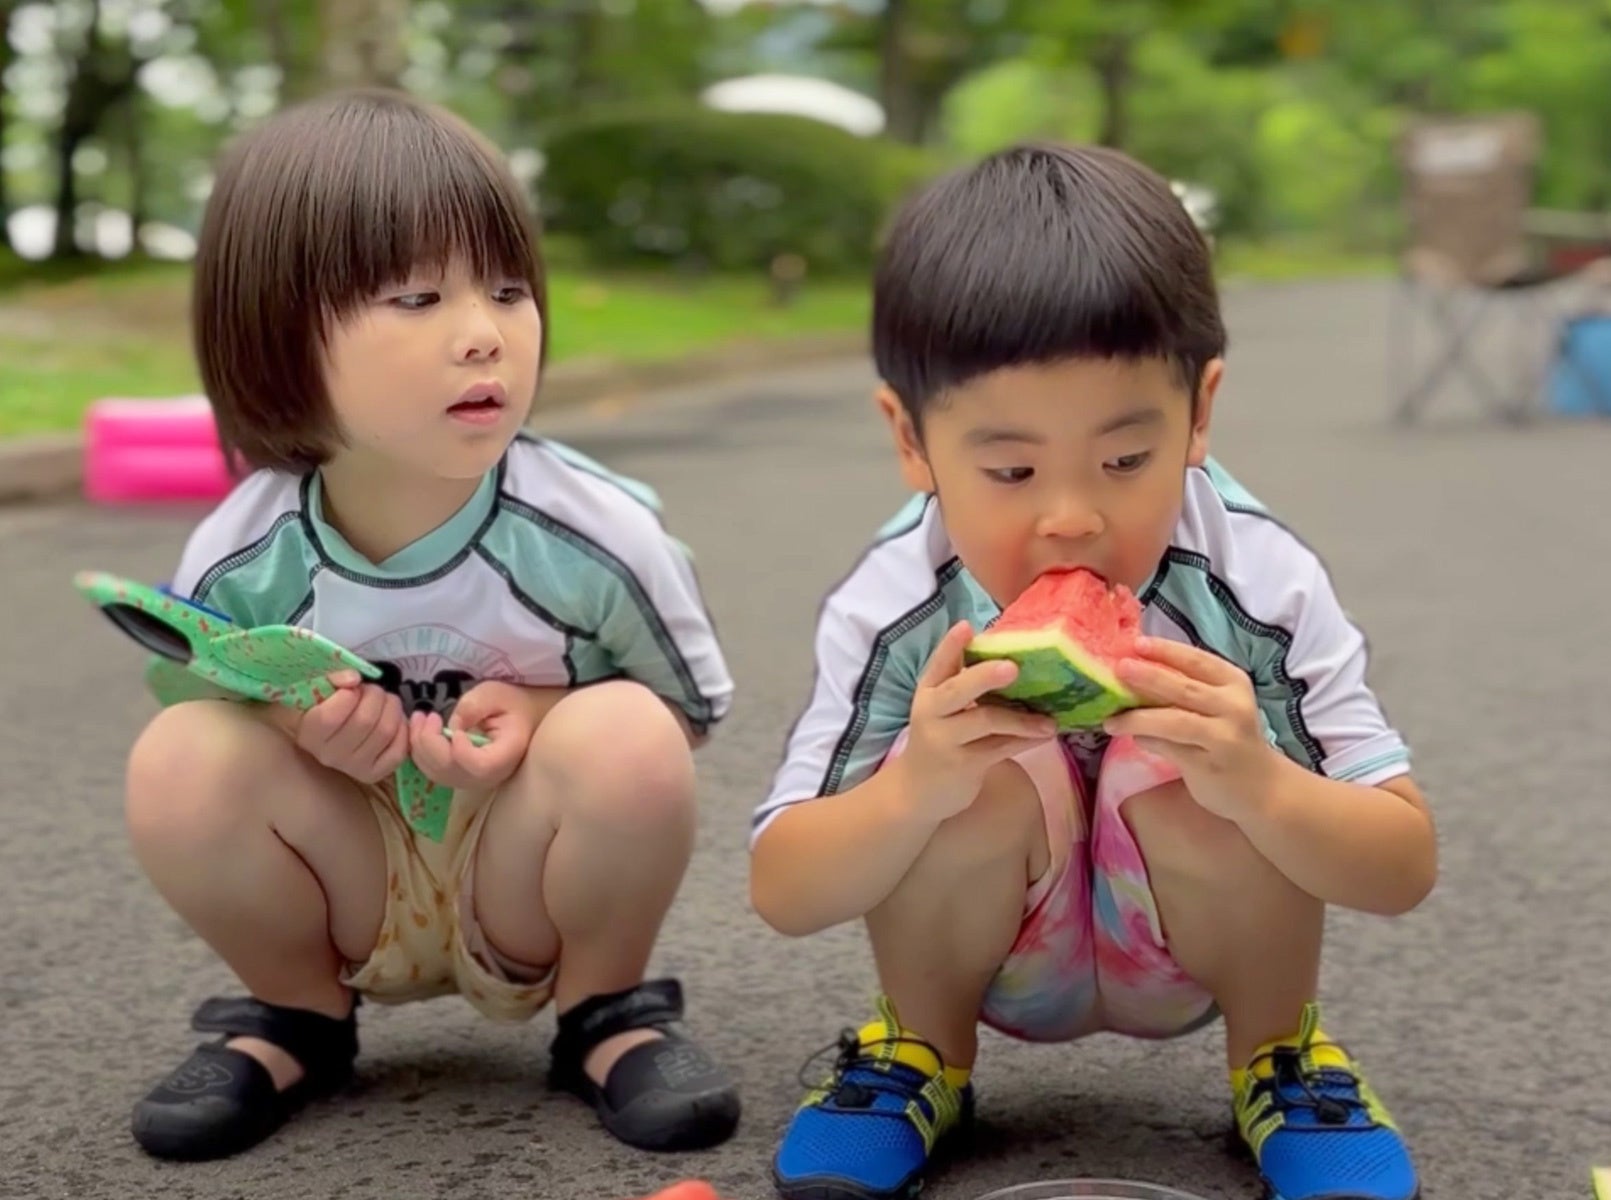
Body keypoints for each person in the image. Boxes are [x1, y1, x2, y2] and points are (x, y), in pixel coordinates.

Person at [749, 143, 1438, 1200]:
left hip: (1196, 949)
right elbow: (784, 889)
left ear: (1200, 414)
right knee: (959, 770)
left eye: (1125, 461)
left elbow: (1402, 866)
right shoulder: (894, 601)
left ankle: (1281, 1060)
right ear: (910, 438)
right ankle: (918, 1055)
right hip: (991, 957)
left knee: (1200, 766)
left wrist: (1258, 781)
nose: (1071, 516)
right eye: (1011, 470)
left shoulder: (1261, 582)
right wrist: (912, 787)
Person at [122, 88, 739, 1162]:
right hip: (346, 877)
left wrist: (549, 711)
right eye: (416, 297)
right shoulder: (244, 551)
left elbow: (688, 707)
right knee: (179, 756)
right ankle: (294, 1015)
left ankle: (606, 1011)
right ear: (275, 331)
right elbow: (216, 707)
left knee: (628, 731)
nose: (482, 335)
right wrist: (301, 734)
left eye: (507, 290)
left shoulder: (594, 533)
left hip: (526, 875)